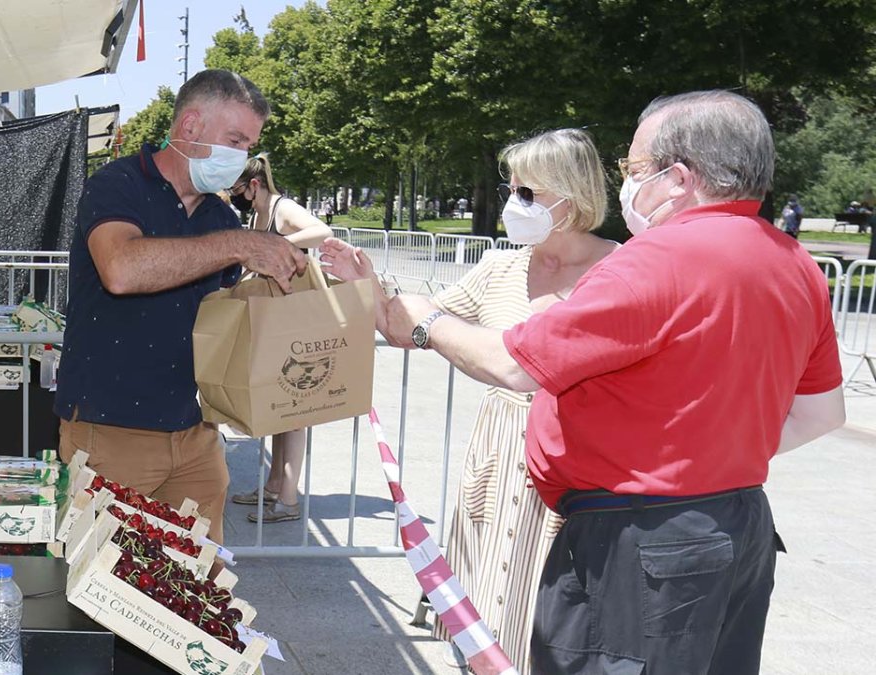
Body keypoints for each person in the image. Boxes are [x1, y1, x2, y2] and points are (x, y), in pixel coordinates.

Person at [375, 90, 845, 674]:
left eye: (634, 168)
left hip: (637, 542)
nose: (626, 182)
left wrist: (427, 322)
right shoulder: (794, 262)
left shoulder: (656, 258)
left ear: (677, 179)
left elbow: (515, 364)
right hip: (738, 526)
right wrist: (709, 453)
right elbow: (822, 413)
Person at [321, 128, 618, 670]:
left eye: (526, 193)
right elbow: (410, 327)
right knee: (487, 588)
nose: (512, 204)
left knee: (554, 607)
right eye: (511, 190)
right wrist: (364, 283)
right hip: (499, 449)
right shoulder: (501, 266)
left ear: (570, 195)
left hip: (576, 460)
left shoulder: (619, 269)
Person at [53, 70, 307, 549]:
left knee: (197, 587)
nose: (243, 157)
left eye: (249, 144)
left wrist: (299, 287)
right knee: (100, 585)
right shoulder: (118, 184)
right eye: (235, 139)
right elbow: (122, 269)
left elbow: (222, 319)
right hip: (110, 432)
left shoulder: (218, 216)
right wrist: (238, 245)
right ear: (190, 126)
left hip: (194, 435)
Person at [227, 155, 333, 523]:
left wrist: (276, 246)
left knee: (295, 411)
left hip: (294, 316)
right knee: (279, 407)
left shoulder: (282, 208)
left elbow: (321, 231)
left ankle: (288, 499)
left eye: (236, 190)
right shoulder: (259, 213)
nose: (234, 197)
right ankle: (274, 486)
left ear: (253, 186)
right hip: (277, 316)